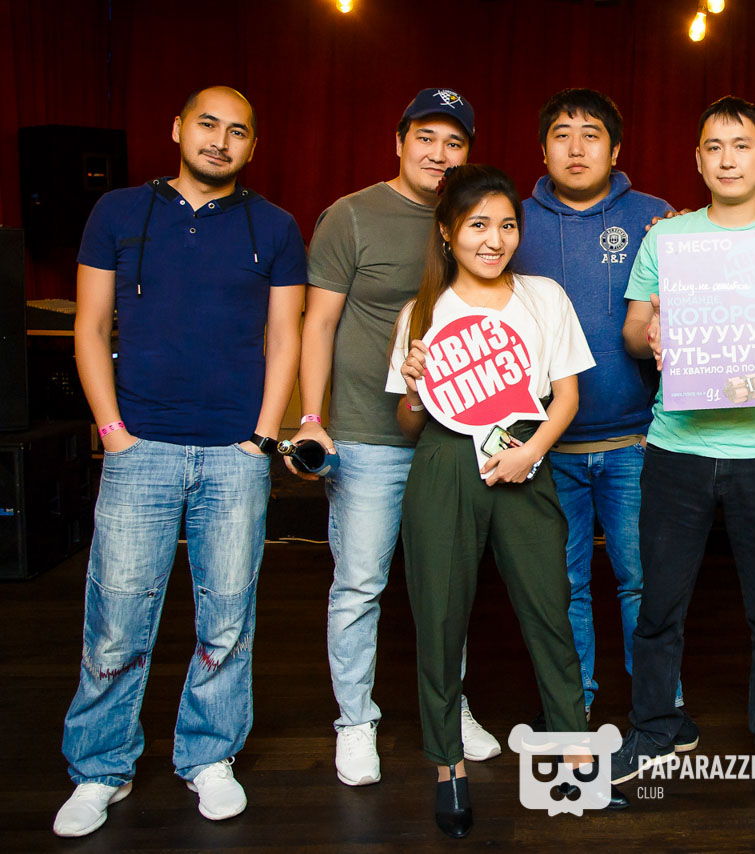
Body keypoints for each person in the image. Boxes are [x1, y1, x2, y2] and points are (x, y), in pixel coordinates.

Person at [53, 86, 304, 837]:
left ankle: (209, 757)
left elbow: (286, 336)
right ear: (176, 128)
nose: (220, 140)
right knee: (117, 620)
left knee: (227, 617)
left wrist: (262, 438)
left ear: (253, 145)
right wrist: (112, 431)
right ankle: (100, 768)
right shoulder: (118, 212)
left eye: (238, 131)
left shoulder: (276, 226)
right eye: (207, 124)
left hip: (234, 454)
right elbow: (90, 327)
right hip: (140, 448)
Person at [612, 96, 755, 805]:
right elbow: (633, 331)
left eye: (741, 146)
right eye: (714, 147)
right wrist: (649, 336)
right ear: (698, 159)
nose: (728, 159)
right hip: (675, 450)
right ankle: (653, 729)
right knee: (659, 605)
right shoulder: (669, 238)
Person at [386, 164, 623, 837]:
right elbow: (409, 423)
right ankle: (448, 768)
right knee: (438, 618)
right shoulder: (422, 314)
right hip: (444, 466)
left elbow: (568, 395)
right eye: (478, 225)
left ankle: (575, 760)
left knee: (551, 610)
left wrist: (531, 452)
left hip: (525, 456)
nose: (495, 240)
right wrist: (414, 387)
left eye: (508, 225)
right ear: (447, 231)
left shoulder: (543, 297)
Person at [284, 87, 497, 788]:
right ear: (399, 141)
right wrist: (311, 417)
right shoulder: (351, 216)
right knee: (360, 585)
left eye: (454, 142)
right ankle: (355, 721)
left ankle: (450, 709)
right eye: (425, 138)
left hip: (449, 436)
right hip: (368, 438)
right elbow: (318, 323)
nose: (439, 153)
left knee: (447, 587)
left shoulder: (470, 219)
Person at [514, 87, 691, 740]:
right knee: (563, 585)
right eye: (562, 134)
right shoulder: (513, 223)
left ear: (615, 150)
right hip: (546, 447)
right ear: (543, 149)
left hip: (634, 443)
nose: (576, 147)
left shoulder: (655, 219)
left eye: (591, 134)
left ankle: (660, 707)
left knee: (643, 581)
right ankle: (572, 703)